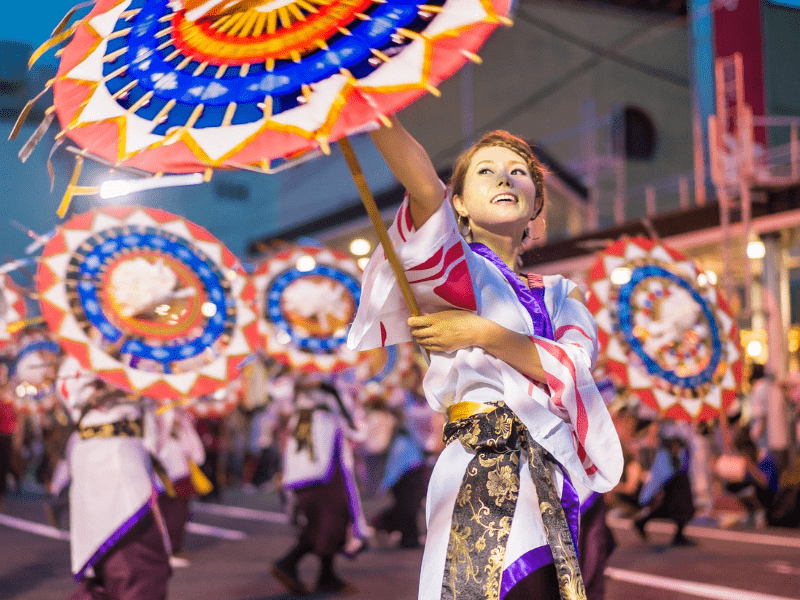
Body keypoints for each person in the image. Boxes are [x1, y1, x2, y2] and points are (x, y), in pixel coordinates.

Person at [348, 117, 623, 600]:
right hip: (481, 473)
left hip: (562, 475)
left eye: (519, 172)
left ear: (536, 205)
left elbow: (574, 367)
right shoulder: (460, 272)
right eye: (486, 171)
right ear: (458, 205)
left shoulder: (563, 293)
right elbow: (421, 185)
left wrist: (482, 332)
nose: (504, 178)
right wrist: (370, 106)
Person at [58, 357, 171, 600]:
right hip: (110, 457)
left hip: (125, 454)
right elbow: (70, 392)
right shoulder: (83, 353)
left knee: (114, 566)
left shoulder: (136, 353)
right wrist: (114, 376)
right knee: (134, 563)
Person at [272, 377, 367, 596]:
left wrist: (335, 395)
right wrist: (299, 383)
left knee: (336, 517)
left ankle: (325, 574)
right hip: (308, 461)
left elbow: (356, 428)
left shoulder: (340, 380)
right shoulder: (291, 372)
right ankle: (290, 563)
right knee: (326, 517)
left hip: (331, 457)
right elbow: (279, 398)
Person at [633, 422, 696, 546]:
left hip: (678, 465)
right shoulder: (669, 420)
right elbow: (668, 440)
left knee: (672, 504)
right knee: (681, 503)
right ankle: (678, 535)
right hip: (672, 466)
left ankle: (643, 521)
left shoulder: (682, 420)